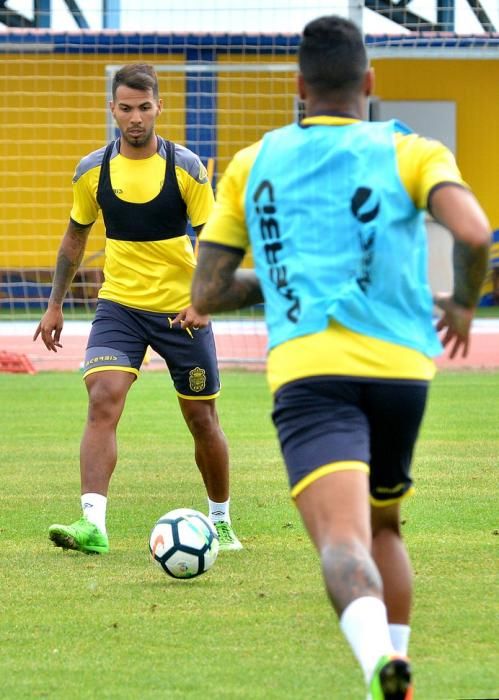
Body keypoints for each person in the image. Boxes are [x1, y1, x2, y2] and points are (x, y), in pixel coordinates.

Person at [190, 15, 490, 700]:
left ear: (298, 87)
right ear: (370, 83)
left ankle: (376, 663)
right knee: (384, 523)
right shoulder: (410, 150)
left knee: (341, 543)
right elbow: (474, 233)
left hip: (310, 370)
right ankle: (392, 679)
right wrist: (464, 305)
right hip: (402, 371)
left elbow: (203, 291)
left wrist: (285, 276)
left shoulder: (253, 161)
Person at [34, 63, 242, 554]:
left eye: (144, 108)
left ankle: (222, 522)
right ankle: (93, 525)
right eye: (125, 108)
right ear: (113, 109)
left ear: (158, 108)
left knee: (202, 420)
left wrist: (205, 301)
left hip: (180, 312)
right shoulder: (92, 171)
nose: (135, 118)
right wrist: (54, 305)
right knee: (103, 398)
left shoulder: (186, 167)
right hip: (120, 306)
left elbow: (213, 240)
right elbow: (74, 238)